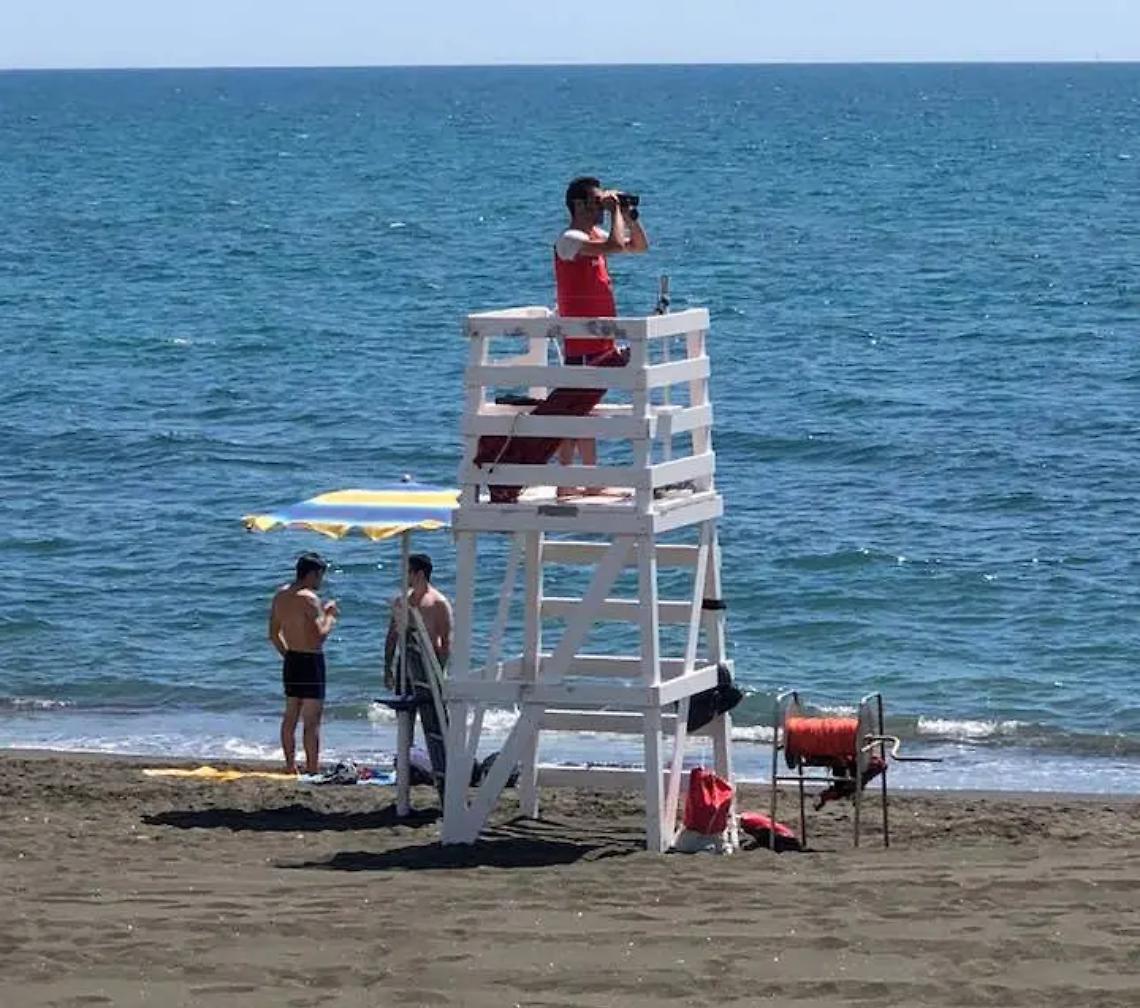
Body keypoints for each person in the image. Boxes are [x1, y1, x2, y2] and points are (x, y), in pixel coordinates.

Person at [553, 175, 649, 494]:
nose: (599, 208)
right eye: (595, 202)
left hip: (599, 339)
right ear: (578, 205)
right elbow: (612, 245)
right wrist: (613, 214)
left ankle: (584, 481)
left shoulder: (594, 234)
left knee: (582, 409)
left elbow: (638, 246)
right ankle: (570, 482)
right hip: (581, 341)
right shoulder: (569, 239)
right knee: (575, 410)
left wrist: (627, 214)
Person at [268, 552, 338, 774]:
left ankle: (290, 765)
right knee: (311, 719)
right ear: (311, 574)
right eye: (319, 576)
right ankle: (312, 767)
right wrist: (330, 616)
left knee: (290, 715)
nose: (320, 581)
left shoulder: (281, 595)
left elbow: (273, 633)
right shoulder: (310, 599)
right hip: (311, 660)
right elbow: (320, 636)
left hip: (292, 659)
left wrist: (287, 655)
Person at [384, 553, 452, 688]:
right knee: (403, 706)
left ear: (420, 574)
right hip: (405, 663)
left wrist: (441, 674)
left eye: (408, 572)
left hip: (429, 664)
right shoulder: (402, 602)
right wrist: (387, 668)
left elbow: (446, 642)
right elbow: (392, 637)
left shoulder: (438, 603)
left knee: (427, 706)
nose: (404, 576)